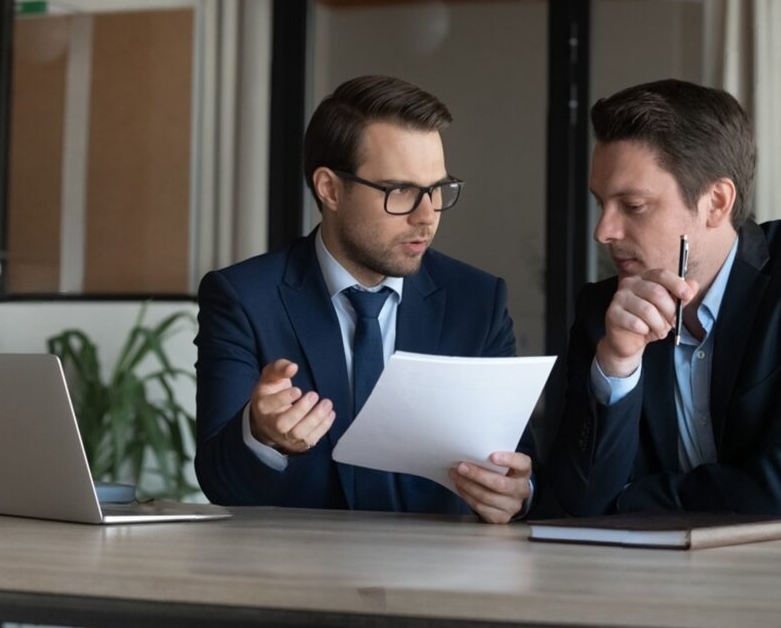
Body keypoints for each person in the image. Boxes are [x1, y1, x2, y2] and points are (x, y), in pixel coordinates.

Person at [548, 79, 781, 527]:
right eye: (601, 204)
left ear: (716, 202)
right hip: (680, 584)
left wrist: (632, 497)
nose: (604, 231)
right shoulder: (606, 312)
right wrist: (617, 365)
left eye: (632, 206)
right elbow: (578, 503)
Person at [194, 75, 532, 523]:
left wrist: (518, 491)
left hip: (442, 578)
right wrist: (262, 437)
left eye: (437, 189)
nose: (427, 216)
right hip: (294, 579)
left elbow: (518, 462)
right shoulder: (243, 298)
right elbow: (220, 485)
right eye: (401, 191)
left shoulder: (479, 302)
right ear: (330, 189)